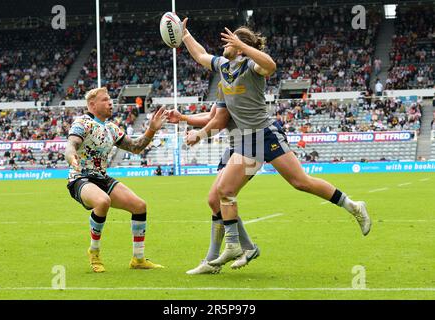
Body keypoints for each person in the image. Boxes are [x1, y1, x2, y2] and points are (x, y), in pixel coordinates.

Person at [181, 19, 371, 267]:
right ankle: (234, 246)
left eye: (230, 42)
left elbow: (270, 65)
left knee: (301, 182)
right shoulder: (222, 67)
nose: (224, 45)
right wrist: (184, 34)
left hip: (266, 134)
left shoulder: (251, 66)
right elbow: (200, 55)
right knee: (224, 191)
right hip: (246, 140)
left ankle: (354, 206)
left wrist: (242, 46)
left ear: (239, 47)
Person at [65, 87, 166, 273]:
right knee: (103, 201)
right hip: (80, 177)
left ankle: (138, 259)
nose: (110, 102)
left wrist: (151, 130)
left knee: (139, 206)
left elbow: (135, 147)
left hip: (101, 177)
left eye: (110, 99)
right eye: (105, 100)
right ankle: (94, 252)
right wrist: (71, 157)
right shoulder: (83, 123)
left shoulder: (111, 128)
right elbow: (71, 144)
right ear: (92, 104)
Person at [166, 99, 260, 274]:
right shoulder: (223, 83)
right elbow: (212, 116)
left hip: (249, 146)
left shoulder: (233, 81)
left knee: (223, 195)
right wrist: (183, 117)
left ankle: (214, 259)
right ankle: (244, 248)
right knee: (214, 201)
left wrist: (198, 135)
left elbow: (219, 122)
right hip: (235, 148)